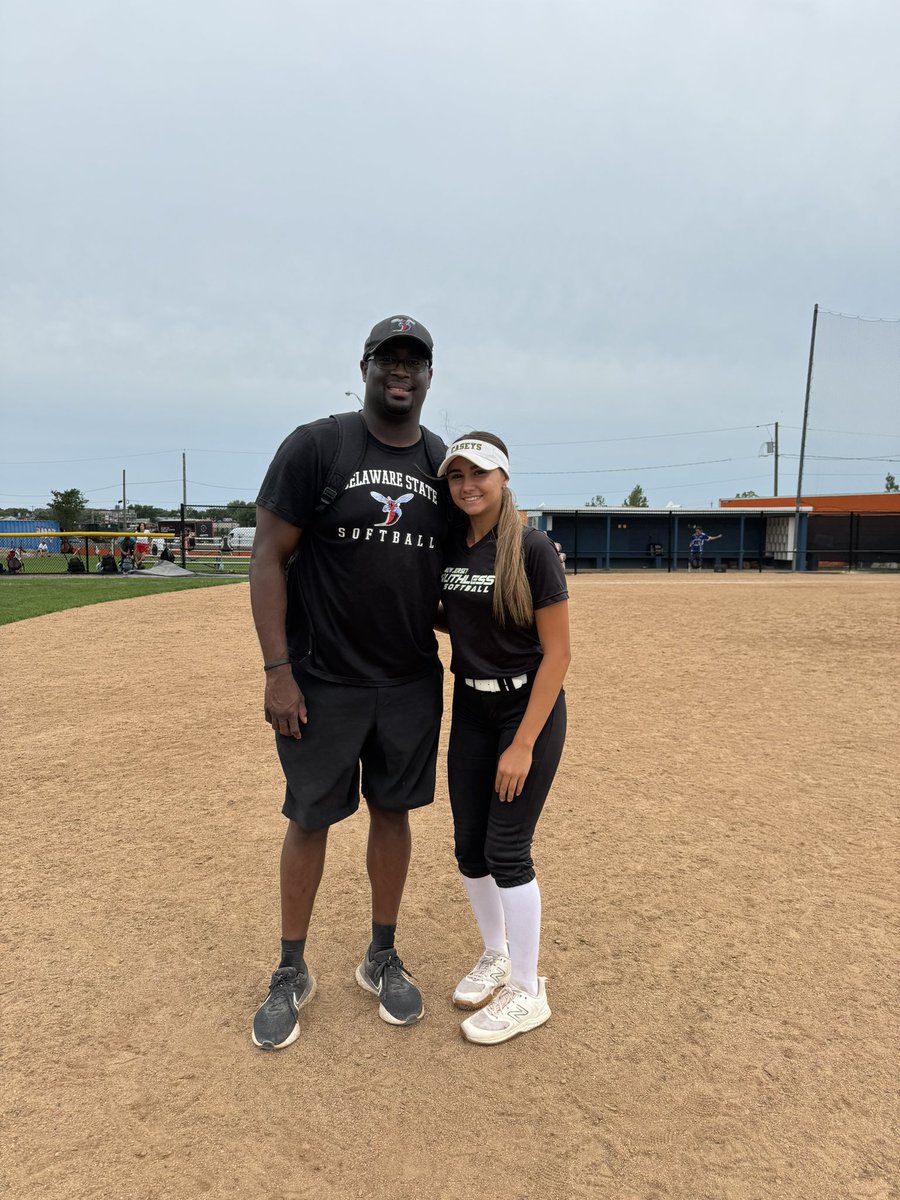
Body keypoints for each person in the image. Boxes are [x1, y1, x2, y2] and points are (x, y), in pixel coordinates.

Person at [249, 314, 450, 1051]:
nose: (402, 371)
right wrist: (278, 673)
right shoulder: (319, 446)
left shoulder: (441, 462)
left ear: (431, 376)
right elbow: (268, 556)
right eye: (388, 359)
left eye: (415, 361)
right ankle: (290, 968)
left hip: (406, 683)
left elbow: (456, 572)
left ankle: (381, 954)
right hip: (322, 680)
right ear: (365, 366)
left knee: (392, 814)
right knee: (309, 817)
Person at [436, 433, 570, 1044]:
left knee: (507, 849)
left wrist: (523, 744)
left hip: (525, 710)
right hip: (470, 706)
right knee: (469, 845)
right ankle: (496, 954)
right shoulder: (450, 545)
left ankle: (527, 988)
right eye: (457, 474)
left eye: (479, 474)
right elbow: (452, 612)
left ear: (503, 478)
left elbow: (559, 653)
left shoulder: (534, 547)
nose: (468, 484)